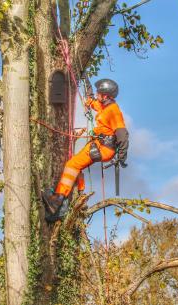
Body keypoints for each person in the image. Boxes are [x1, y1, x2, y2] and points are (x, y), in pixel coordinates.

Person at [42, 79, 129, 222]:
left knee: (72, 165)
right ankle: (64, 206)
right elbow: (92, 102)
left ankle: (56, 201)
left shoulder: (113, 111)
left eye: (99, 93)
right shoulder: (104, 106)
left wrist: (121, 156)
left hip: (104, 148)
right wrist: (87, 84)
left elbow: (123, 135)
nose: (97, 94)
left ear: (105, 96)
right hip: (99, 144)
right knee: (77, 166)